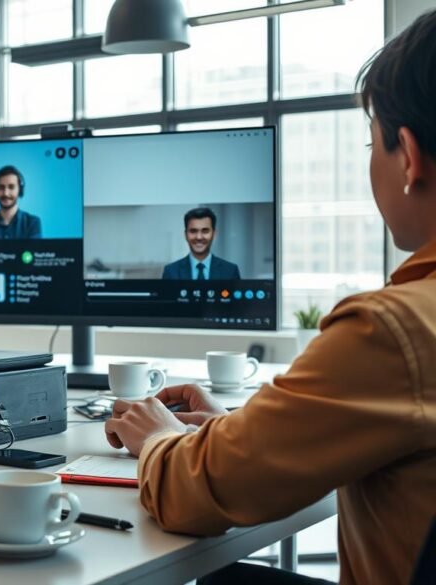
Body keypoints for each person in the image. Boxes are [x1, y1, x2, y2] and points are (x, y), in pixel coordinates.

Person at [106, 11, 436, 584]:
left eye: (370, 143)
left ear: (406, 155)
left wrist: (160, 437)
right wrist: (227, 432)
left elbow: (200, 495)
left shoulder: (394, 330)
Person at [161, 207, 241, 280]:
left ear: (214, 234)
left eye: (205, 231)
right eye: (193, 231)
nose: (199, 237)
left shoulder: (230, 271)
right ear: (185, 235)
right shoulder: (171, 272)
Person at [0, 165, 42, 240]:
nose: (6, 193)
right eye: (1, 187)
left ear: (20, 190)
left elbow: (33, 251)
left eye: (11, 187)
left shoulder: (32, 223)